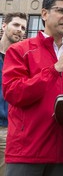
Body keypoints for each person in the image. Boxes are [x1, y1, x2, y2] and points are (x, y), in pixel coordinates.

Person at [2, 0, 63, 176]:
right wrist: (54, 70)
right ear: (44, 14)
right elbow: (14, 93)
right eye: (61, 11)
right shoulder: (20, 50)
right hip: (27, 152)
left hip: (62, 154)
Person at [0, 12, 28, 176]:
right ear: (4, 26)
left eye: (23, 28)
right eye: (16, 25)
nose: (20, 30)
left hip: (8, 129)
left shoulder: (22, 61)